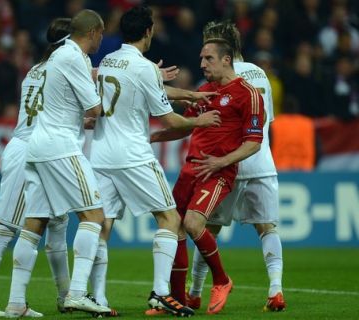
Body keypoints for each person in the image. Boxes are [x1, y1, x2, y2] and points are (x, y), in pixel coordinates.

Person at [89, 6, 221, 317]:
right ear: (148, 32)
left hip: (102, 154)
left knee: (103, 225)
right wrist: (200, 122)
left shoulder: (108, 60)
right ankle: (161, 293)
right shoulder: (145, 66)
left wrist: (189, 95)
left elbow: (148, 87)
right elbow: (170, 120)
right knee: (170, 220)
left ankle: (97, 297)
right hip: (133, 155)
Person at [149, 30, 265, 315]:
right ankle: (176, 299)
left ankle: (222, 280)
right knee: (172, 226)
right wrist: (151, 138)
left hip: (217, 172)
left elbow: (253, 143)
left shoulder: (248, 94)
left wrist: (221, 162)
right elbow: (186, 126)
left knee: (191, 223)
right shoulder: (204, 90)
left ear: (226, 60)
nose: (202, 64)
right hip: (190, 170)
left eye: (208, 58)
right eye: (201, 58)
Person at [0, 18, 73, 317]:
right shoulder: (65, 69)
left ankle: (65, 297)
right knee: (5, 230)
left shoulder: (35, 70)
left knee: (58, 224)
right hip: (29, 152)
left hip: (46, 151)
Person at [4, 9, 111, 317]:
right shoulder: (75, 58)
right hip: (61, 147)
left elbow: (67, 104)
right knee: (95, 216)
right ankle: (76, 293)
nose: (100, 40)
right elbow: (95, 107)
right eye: (100, 35)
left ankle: (15, 303)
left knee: (35, 221)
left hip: (38, 146)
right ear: (92, 33)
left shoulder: (57, 57)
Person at [185, 21, 286, 312]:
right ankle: (276, 289)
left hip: (229, 166)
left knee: (207, 228)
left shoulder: (221, 78)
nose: (205, 59)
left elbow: (207, 123)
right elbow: (269, 123)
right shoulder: (260, 73)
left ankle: (194, 292)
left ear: (222, 49)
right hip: (262, 161)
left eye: (208, 50)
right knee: (267, 228)